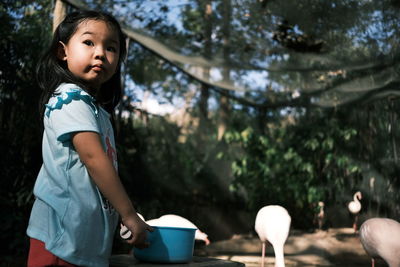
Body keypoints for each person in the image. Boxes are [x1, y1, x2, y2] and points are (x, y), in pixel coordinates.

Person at [26, 10, 153, 267]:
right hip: (60, 239)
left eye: (111, 48)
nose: (100, 53)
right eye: (88, 42)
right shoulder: (69, 99)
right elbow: (93, 158)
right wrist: (128, 214)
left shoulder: (95, 110)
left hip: (82, 239)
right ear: (63, 52)